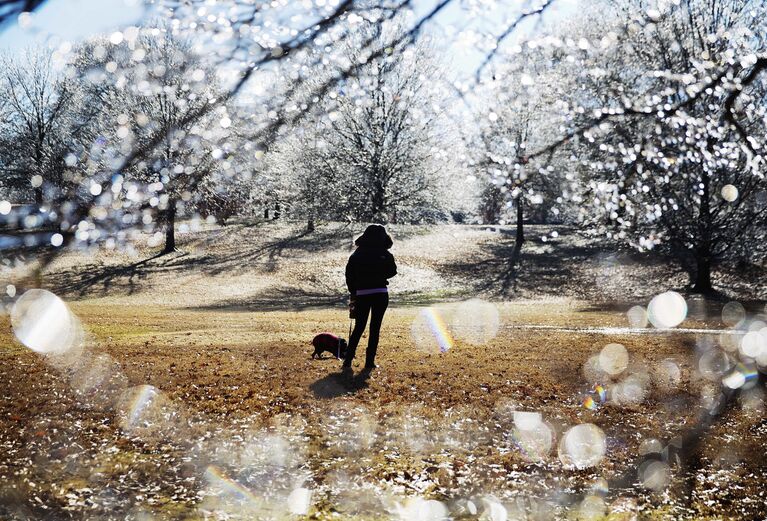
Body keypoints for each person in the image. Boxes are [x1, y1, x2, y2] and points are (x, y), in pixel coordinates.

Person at [343, 224, 397, 370]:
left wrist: (353, 290)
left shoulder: (357, 254)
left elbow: (349, 274)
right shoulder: (385, 254)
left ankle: (347, 360)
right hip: (380, 293)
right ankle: (369, 362)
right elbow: (392, 272)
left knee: (359, 327)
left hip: (361, 294)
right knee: (375, 328)